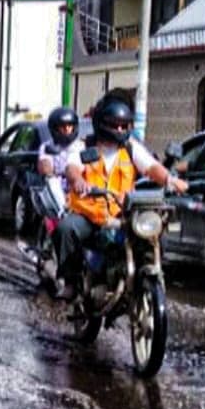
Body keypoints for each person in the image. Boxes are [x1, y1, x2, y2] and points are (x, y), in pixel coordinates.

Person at [56, 96, 187, 297]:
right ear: (101, 124)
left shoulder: (130, 148)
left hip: (120, 213)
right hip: (89, 215)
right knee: (66, 228)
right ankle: (70, 281)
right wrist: (78, 181)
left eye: (123, 126)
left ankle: (141, 277)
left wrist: (171, 180)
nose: (119, 130)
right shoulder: (84, 146)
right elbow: (72, 167)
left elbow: (151, 167)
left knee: (152, 235)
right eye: (114, 126)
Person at [36, 105, 81, 215]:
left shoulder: (81, 146)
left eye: (70, 126)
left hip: (78, 187)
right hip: (56, 190)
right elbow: (45, 166)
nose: (67, 129)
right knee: (52, 181)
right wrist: (48, 171)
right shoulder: (47, 146)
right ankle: (62, 211)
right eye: (63, 126)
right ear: (55, 128)